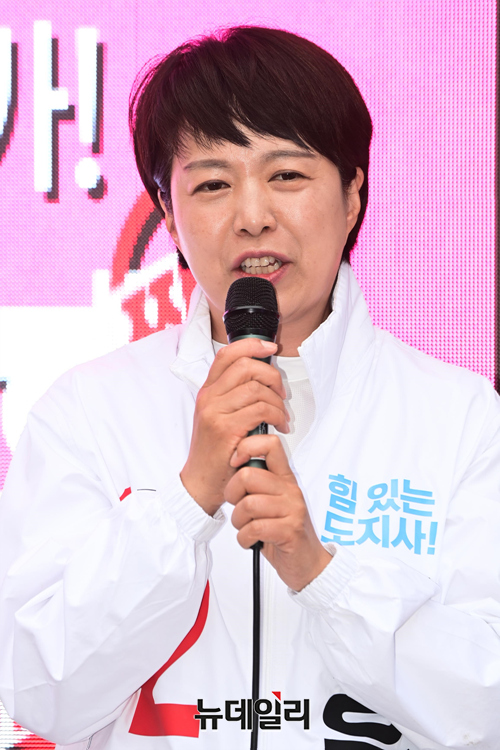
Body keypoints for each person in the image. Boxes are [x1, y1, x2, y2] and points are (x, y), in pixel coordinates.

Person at [0, 25, 500, 750]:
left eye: (287, 175)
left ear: (353, 195)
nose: (253, 216)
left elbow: (488, 702)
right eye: (212, 184)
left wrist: (321, 573)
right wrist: (185, 504)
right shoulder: (85, 413)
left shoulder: (461, 417)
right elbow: (39, 692)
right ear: (169, 216)